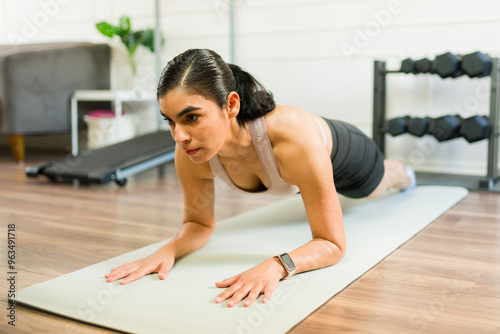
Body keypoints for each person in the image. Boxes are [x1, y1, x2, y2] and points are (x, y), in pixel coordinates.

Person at [105, 48, 416, 308]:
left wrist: (277, 266)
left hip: (349, 156)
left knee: (376, 187)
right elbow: (198, 224)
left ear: (231, 104)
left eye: (192, 117)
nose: (180, 135)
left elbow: (332, 244)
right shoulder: (190, 152)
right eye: (170, 121)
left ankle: (401, 172)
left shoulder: (293, 140)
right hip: (302, 168)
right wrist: (167, 250)